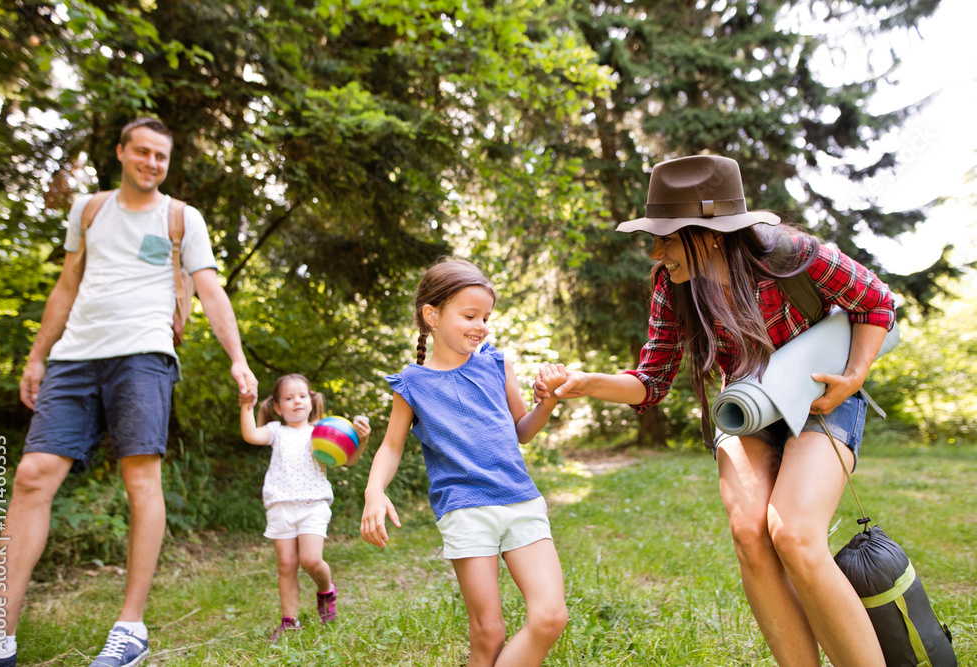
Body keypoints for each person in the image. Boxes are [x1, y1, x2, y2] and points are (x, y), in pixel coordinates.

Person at [536, 155, 895, 666]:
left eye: (665, 238)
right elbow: (651, 382)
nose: (656, 253)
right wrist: (588, 383)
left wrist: (854, 375)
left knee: (794, 535)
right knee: (750, 532)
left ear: (708, 235)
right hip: (747, 409)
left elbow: (876, 301)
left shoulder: (794, 255)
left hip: (823, 398)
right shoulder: (673, 285)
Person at [0, 118, 258, 667]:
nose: (152, 163)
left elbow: (210, 290)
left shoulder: (181, 217)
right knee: (31, 475)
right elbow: (67, 285)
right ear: (121, 152)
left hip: (144, 355)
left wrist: (238, 358)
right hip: (74, 357)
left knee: (140, 481)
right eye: (143, 152)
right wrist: (37, 355)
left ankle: (130, 628)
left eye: (161, 156)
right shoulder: (89, 210)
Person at [360, 259, 569, 667]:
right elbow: (391, 446)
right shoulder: (412, 383)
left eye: (486, 317)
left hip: (521, 500)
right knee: (488, 634)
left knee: (550, 617)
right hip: (466, 510)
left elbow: (522, 431)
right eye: (470, 316)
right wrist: (374, 492)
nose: (481, 326)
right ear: (432, 315)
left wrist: (547, 403)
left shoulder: (497, 364)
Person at [240, 373, 371, 638]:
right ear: (278, 408)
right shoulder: (277, 431)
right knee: (286, 564)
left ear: (312, 402)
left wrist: (363, 439)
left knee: (310, 560)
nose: (297, 401)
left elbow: (349, 460)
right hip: (280, 506)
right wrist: (245, 405)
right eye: (289, 398)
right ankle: (289, 621)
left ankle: (326, 590)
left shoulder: (322, 431)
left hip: (314, 504)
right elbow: (250, 434)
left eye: (302, 396)